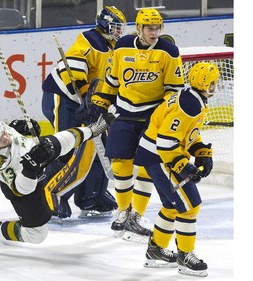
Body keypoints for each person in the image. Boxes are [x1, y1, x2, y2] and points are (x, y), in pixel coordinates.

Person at [87, 8, 185, 241]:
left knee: (146, 165)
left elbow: (175, 90)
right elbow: (112, 80)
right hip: (124, 111)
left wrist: (163, 115)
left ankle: (137, 214)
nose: (154, 32)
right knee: (120, 165)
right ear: (139, 28)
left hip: (153, 115)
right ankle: (123, 211)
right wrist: (100, 102)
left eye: (157, 28)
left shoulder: (168, 51)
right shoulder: (122, 46)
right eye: (149, 28)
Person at [0, 113, 112, 252]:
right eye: (0, 138)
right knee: (36, 234)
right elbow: (22, 190)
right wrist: (30, 168)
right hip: (19, 185)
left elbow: (61, 141)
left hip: (28, 162)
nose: (6, 137)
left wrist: (16, 127)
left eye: (4, 131)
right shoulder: (2, 163)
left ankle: (91, 130)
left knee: (56, 145)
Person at [134, 62, 220, 277]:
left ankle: (155, 251)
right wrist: (183, 166)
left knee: (172, 206)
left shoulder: (191, 97)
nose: (215, 85)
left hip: (156, 154)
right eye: (212, 82)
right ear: (204, 83)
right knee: (190, 205)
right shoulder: (190, 105)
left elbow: (185, 133)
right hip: (160, 156)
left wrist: (200, 150)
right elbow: (165, 141)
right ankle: (186, 255)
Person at [41, 6, 127, 219]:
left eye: (120, 28)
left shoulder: (115, 47)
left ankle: (91, 195)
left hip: (92, 104)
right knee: (70, 148)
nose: (118, 32)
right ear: (105, 23)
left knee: (101, 149)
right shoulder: (90, 40)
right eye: (115, 27)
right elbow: (74, 70)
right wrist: (86, 96)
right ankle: (49, 194)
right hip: (66, 99)